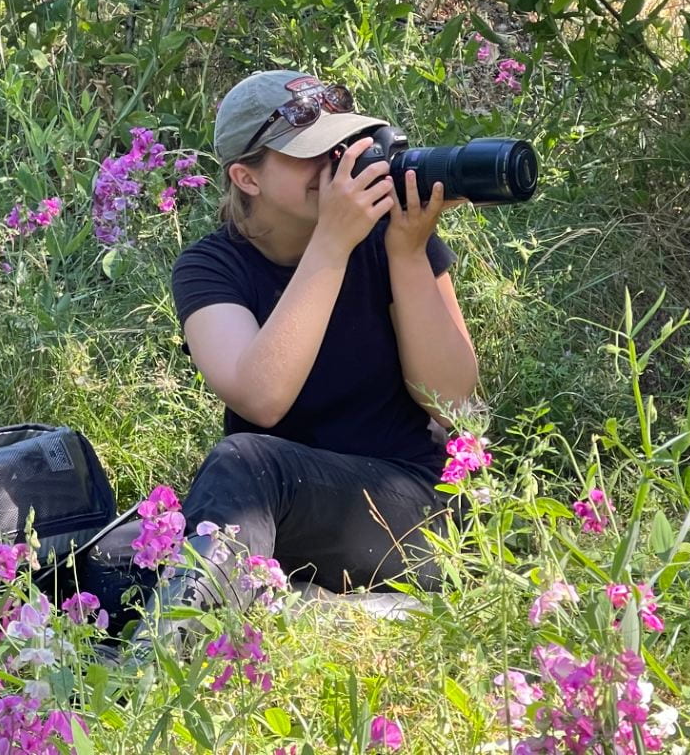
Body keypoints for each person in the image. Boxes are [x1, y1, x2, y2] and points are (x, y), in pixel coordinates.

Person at [166, 70, 478, 606]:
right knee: (241, 467)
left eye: (344, 144)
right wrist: (332, 245)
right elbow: (261, 398)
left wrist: (406, 252)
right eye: (312, 152)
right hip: (286, 502)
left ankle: (179, 645)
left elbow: (452, 402)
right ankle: (181, 646)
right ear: (247, 178)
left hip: (416, 507)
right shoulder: (211, 267)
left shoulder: (393, 237)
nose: (336, 164)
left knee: (245, 466)